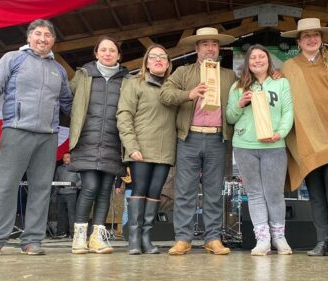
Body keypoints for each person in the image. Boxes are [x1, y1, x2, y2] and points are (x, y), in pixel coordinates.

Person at [0, 19, 72, 256]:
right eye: (38, 34)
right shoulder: (12, 59)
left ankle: (32, 240)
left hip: (48, 136)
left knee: (41, 188)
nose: (43, 38)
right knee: (4, 186)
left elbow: (68, 104)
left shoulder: (59, 70)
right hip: (16, 130)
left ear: (53, 40)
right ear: (29, 37)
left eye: (48, 35)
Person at [159, 27, 237, 255]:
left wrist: (274, 74)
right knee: (185, 190)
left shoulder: (229, 75)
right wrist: (188, 94)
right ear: (197, 48)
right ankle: (183, 238)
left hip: (216, 138)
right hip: (189, 136)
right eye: (205, 44)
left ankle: (212, 238)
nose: (210, 48)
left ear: (218, 48)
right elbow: (165, 94)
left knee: (214, 191)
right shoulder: (183, 72)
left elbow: (249, 87)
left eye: (214, 44)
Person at [281, 18, 328, 258]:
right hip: (307, 140)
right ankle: (323, 240)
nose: (312, 39)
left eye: (316, 35)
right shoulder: (288, 67)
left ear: (321, 38)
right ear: (299, 41)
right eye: (306, 36)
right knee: (316, 194)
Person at [226, 44, 294, 256]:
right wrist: (239, 104)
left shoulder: (281, 83)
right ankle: (262, 239)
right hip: (245, 145)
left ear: (268, 60)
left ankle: (279, 237)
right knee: (255, 193)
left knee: (274, 193)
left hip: (273, 145)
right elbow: (229, 117)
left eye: (261, 57)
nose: (257, 61)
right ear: (247, 62)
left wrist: (280, 133)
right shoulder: (238, 86)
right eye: (253, 58)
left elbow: (288, 111)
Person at [69, 36, 129, 254]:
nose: (107, 53)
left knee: (105, 190)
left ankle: (97, 237)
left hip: (114, 142)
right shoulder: (83, 75)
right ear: (96, 54)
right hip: (87, 141)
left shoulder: (127, 80)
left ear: (119, 56)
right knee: (90, 186)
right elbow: (67, 99)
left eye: (112, 50)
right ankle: (79, 236)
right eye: (103, 50)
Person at [117, 44, 176, 254]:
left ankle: (146, 237)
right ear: (147, 62)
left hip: (165, 149)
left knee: (155, 193)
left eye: (163, 57)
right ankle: (133, 238)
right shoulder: (134, 84)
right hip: (140, 148)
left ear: (168, 63)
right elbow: (124, 116)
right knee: (139, 190)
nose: (158, 60)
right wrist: (131, 146)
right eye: (153, 57)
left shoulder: (173, 86)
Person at [53, 152, 81, 239]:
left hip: (71, 194)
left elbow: (81, 180)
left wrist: (75, 186)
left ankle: (73, 233)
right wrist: (56, 191)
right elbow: (56, 180)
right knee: (61, 214)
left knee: (71, 214)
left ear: (71, 158)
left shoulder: (76, 168)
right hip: (61, 193)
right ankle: (61, 232)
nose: (66, 159)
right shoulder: (59, 168)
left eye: (68, 157)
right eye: (64, 157)